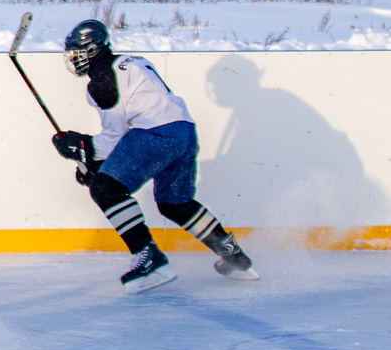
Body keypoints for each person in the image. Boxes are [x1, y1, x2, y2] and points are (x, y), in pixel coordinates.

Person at [52, 19, 257, 293]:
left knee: (105, 190)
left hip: (154, 134)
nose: (73, 59)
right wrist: (91, 159)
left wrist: (82, 147)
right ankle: (233, 255)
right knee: (174, 202)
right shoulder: (129, 62)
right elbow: (123, 136)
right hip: (183, 132)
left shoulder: (101, 80)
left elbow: (114, 138)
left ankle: (149, 259)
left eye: (76, 52)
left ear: (92, 49)